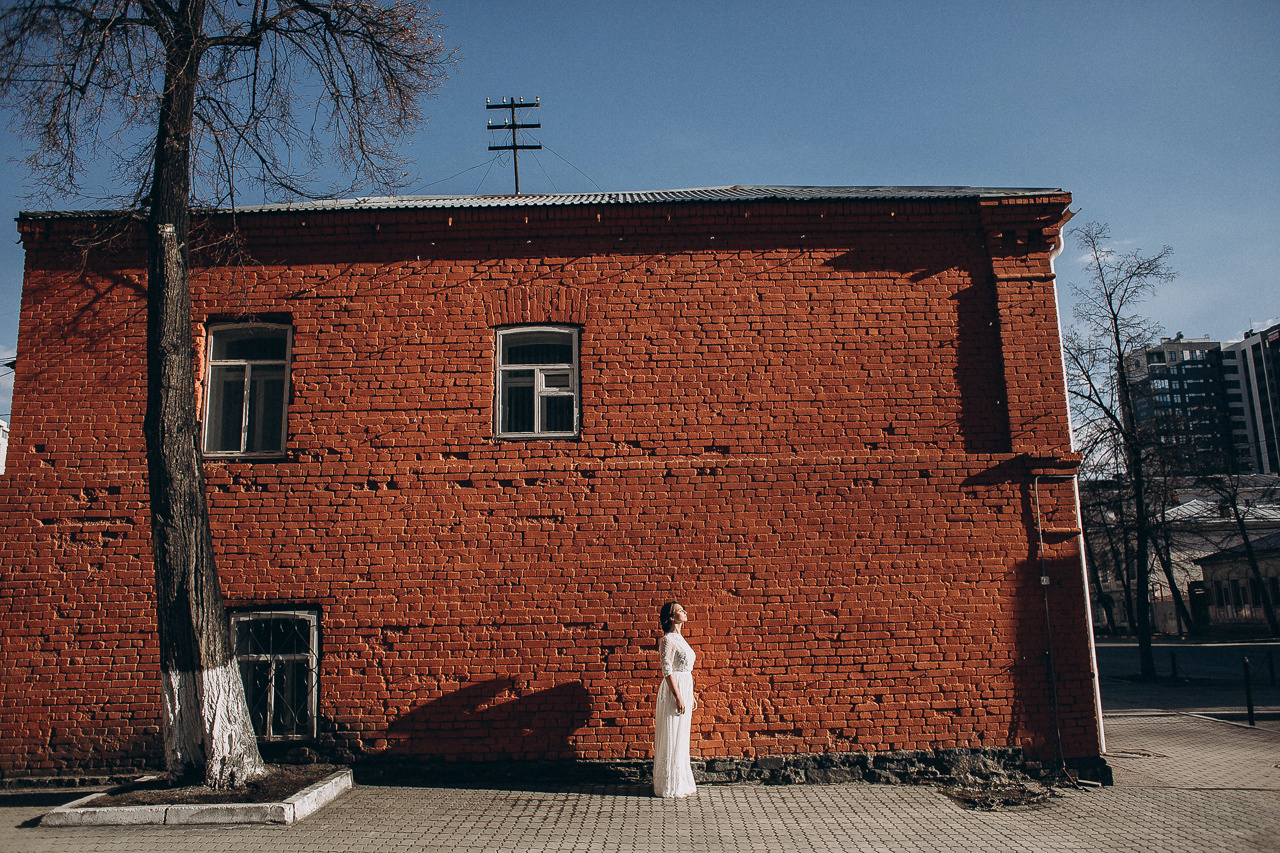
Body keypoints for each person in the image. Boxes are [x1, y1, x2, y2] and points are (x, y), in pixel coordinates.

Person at [653, 601, 697, 798]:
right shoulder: (667, 640)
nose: (685, 611)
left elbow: (686, 669)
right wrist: (678, 695)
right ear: (671, 617)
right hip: (674, 690)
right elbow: (667, 669)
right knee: (672, 734)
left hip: (685, 687)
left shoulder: (681, 639)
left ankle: (680, 780)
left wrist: (691, 694)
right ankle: (669, 784)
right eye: (680, 610)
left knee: (682, 736)